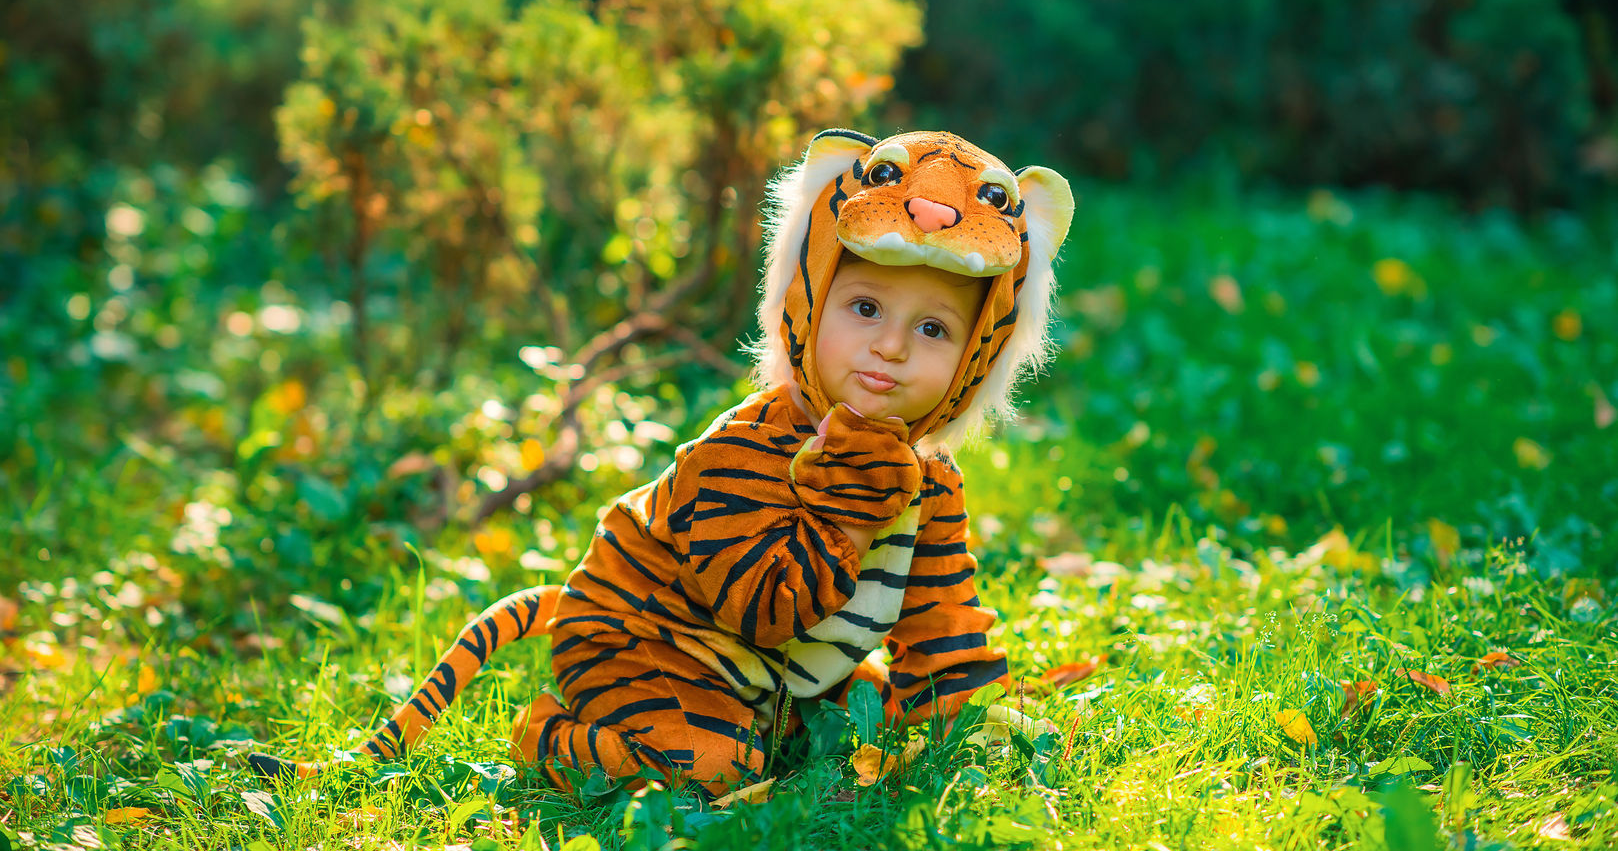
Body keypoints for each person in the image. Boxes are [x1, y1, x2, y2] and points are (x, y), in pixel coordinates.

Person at [250, 128, 1073, 794]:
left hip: (763, 671)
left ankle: (761, 715)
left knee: (855, 716)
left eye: (933, 329)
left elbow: (941, 619)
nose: (890, 347)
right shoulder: (746, 448)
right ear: (808, 302)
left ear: (978, 354)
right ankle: (554, 734)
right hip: (638, 630)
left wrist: (960, 726)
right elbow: (761, 610)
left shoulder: (930, 480)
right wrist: (847, 512)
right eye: (863, 307)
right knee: (713, 767)